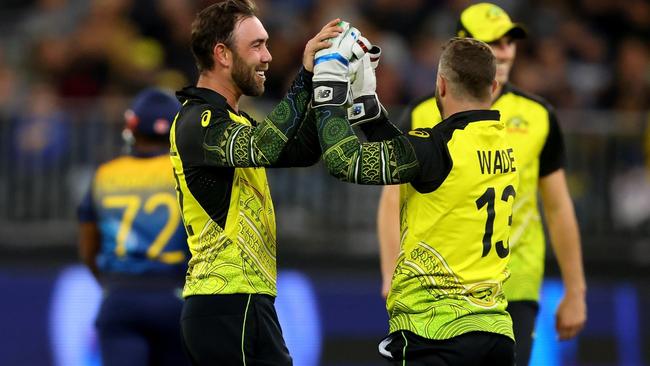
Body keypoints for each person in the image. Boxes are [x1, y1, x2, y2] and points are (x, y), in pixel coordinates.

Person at [376, 3, 587, 365]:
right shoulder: (423, 112)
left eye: (509, 40)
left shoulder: (539, 116)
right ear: (462, 48)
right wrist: (391, 271)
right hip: (437, 289)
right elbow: (392, 200)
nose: (504, 50)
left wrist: (576, 289)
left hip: (512, 286)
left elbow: (557, 204)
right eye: (491, 41)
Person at [311, 29, 518, 364]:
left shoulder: (437, 147)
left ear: (442, 85)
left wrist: (329, 91)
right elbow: (417, 158)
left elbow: (343, 161)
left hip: (434, 333)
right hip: (495, 332)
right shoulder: (504, 145)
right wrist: (370, 112)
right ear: (492, 87)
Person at [169, 1, 342, 364]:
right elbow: (267, 145)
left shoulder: (234, 123)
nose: (267, 56)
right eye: (256, 45)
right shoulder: (198, 120)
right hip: (226, 302)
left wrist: (332, 86)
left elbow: (305, 150)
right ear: (222, 54)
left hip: (243, 301)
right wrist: (305, 76)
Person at [77, 88, 190, 366]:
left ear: (132, 127)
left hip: (122, 296)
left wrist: (114, 284)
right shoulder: (188, 173)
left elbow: (88, 247)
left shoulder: (106, 175)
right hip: (176, 297)